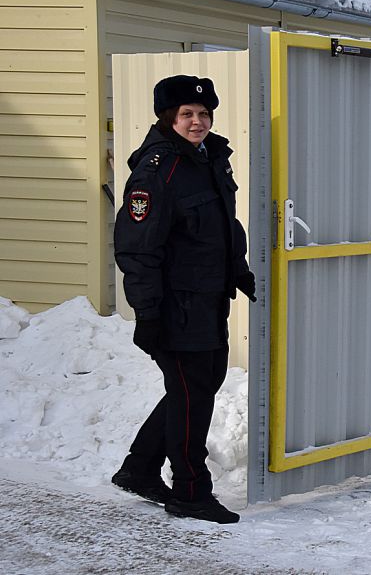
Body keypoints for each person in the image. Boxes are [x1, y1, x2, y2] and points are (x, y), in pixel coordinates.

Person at [111, 75, 256, 524]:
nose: (197, 122)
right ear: (168, 118)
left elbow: (224, 225)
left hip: (207, 299)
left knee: (198, 385)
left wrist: (238, 269)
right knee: (193, 394)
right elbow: (138, 248)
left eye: (203, 113)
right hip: (175, 305)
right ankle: (190, 492)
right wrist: (147, 314)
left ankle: (139, 469)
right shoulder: (157, 171)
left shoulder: (211, 158)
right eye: (187, 114)